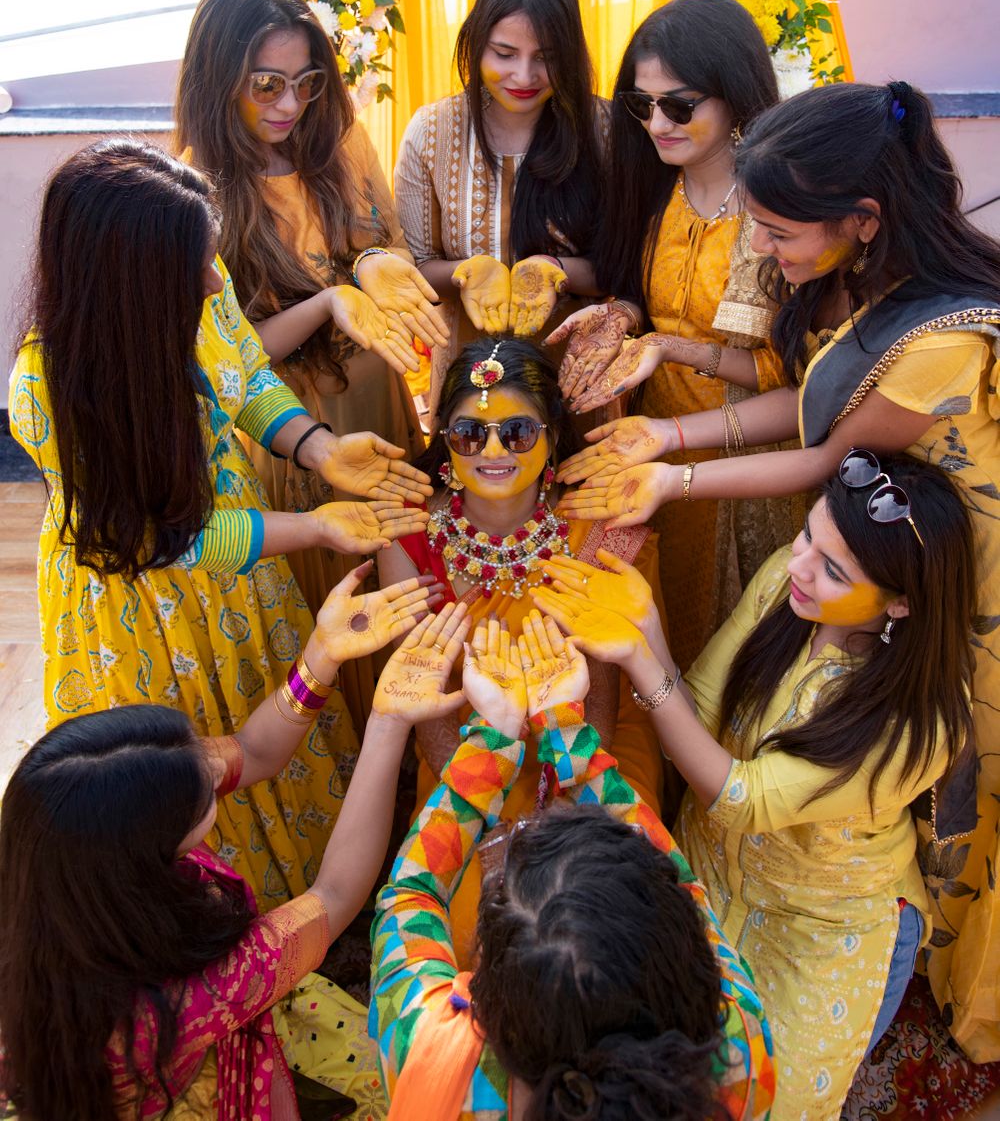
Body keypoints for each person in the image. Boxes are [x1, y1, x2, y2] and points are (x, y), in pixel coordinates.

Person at [559, 80, 1000, 1062]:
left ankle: (941, 961)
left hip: (954, 571)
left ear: (862, 219)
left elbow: (823, 457)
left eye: (776, 231)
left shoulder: (941, 339)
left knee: (954, 758)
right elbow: (807, 401)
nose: (761, 249)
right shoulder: (860, 279)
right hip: (878, 540)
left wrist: (666, 478)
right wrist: (663, 434)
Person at [9, 139, 430, 904]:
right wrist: (318, 528)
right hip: (144, 609)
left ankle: (315, 899)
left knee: (270, 734)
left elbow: (245, 378)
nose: (214, 281)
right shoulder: (47, 386)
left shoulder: (197, 282)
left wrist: (320, 448)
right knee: (186, 775)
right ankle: (232, 930)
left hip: (238, 566)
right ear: (127, 287)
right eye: (197, 271)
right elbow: (171, 543)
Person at [538, 453, 974, 1120]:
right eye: (807, 537)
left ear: (901, 602)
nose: (799, 565)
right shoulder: (784, 583)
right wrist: (643, 622)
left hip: (822, 922)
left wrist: (636, 657)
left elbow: (744, 799)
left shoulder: (917, 725)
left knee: (764, 1102)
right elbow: (703, 705)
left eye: (832, 569)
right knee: (640, 1064)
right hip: (706, 868)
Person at [0, 570, 470, 1121]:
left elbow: (253, 747)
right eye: (205, 793)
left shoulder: (68, 843)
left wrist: (323, 652)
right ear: (153, 863)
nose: (215, 767)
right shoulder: (186, 996)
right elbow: (336, 894)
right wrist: (389, 723)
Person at [370, 611, 776, 1120]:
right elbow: (684, 887)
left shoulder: (431, 1056)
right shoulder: (738, 1061)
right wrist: (565, 730)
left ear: (488, 990)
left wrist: (494, 738)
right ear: (681, 963)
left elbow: (410, 893)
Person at [176, 0, 448, 731]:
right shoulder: (199, 190)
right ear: (218, 78)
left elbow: (376, 246)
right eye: (266, 86)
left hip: (375, 399)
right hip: (288, 428)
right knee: (331, 602)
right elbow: (226, 356)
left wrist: (365, 271)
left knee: (403, 582)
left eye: (305, 83)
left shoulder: (337, 147)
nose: (289, 107)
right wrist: (327, 304)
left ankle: (416, 749)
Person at [377, 336, 664, 965]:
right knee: (464, 933)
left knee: (601, 914)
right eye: (469, 434)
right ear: (446, 442)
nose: (495, 452)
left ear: (553, 438)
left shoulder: (592, 524)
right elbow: (422, 692)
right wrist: (490, 822)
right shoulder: (409, 530)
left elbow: (607, 680)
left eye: (517, 432)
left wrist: (568, 806)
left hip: (590, 743)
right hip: (467, 743)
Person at [546, 0, 792, 669]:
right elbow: (644, 295)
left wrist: (668, 348)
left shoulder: (780, 208)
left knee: (743, 654)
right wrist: (622, 317)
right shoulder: (655, 188)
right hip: (652, 450)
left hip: (753, 462)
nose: (656, 123)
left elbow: (796, 375)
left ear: (734, 95)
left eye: (679, 106)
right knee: (667, 641)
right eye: (641, 105)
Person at [393, 0, 607, 414]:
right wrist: (467, 275)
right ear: (475, 40)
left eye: (545, 56)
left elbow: (623, 267)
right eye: (505, 53)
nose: (523, 75)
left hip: (574, 378)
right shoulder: (432, 133)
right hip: (468, 382)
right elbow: (415, 265)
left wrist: (554, 272)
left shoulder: (602, 130)